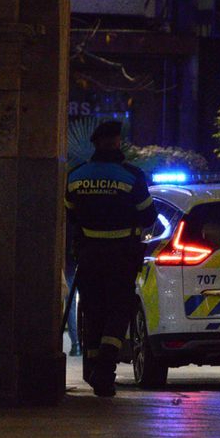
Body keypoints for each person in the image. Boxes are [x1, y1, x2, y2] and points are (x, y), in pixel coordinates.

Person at [64, 120, 157, 397]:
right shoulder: (131, 176)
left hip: (89, 253)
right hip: (121, 254)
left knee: (93, 311)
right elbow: (149, 215)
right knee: (118, 310)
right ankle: (105, 367)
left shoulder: (76, 175)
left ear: (95, 143)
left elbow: (70, 214)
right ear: (117, 143)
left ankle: (94, 367)